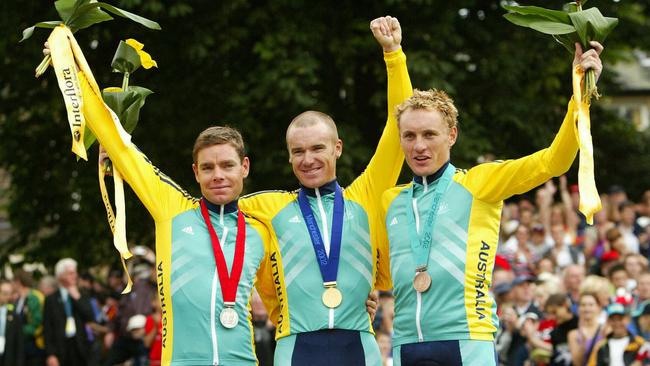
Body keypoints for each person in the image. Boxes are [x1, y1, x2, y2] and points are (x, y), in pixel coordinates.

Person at [379, 40, 604, 365]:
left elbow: (553, 163)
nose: (419, 146)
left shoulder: (479, 183)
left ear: (452, 135)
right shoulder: (391, 200)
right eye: (409, 136)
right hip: (404, 345)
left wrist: (579, 95)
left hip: (468, 341)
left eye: (430, 134)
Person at [235, 15, 412, 365]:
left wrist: (394, 55)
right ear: (288, 158)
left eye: (318, 148)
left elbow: (398, 127)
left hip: (359, 345)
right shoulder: (267, 207)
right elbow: (201, 206)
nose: (308, 159)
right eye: (298, 151)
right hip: (294, 346)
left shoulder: (365, 194)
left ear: (338, 148)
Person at [43, 258, 95, 366]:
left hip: (81, 349)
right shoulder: (51, 299)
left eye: (75, 272)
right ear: (61, 276)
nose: (74, 276)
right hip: (61, 350)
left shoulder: (82, 294)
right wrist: (51, 354)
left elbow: (90, 316)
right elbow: (47, 328)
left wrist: (77, 297)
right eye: (70, 273)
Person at [12, 269, 45, 366]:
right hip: (21, 347)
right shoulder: (18, 298)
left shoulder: (35, 297)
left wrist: (16, 332)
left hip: (34, 347)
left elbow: (37, 324)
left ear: (18, 281)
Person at [568, 292, 606, 366]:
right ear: (578, 309)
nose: (587, 308)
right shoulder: (573, 334)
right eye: (583, 305)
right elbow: (577, 363)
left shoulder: (605, 330)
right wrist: (583, 345)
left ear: (598, 307)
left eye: (591, 305)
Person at [0, 280, 24, 366]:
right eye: (4, 293)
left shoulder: (14, 315)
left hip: (8, 358)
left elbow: (19, 343)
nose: (7, 297)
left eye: (9, 293)